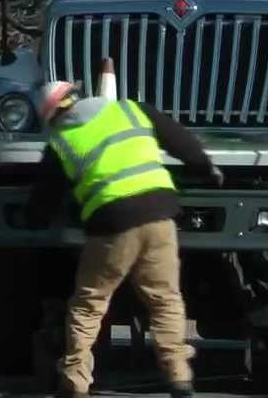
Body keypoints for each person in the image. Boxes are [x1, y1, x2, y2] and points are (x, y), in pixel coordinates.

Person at [13, 60, 222, 398]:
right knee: (166, 298)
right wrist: (207, 169)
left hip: (113, 226)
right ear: (77, 97)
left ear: (51, 116)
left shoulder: (62, 143)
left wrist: (28, 222)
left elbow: (43, 203)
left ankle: (75, 381)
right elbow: (181, 142)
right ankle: (179, 379)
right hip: (160, 217)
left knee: (88, 303)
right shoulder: (131, 110)